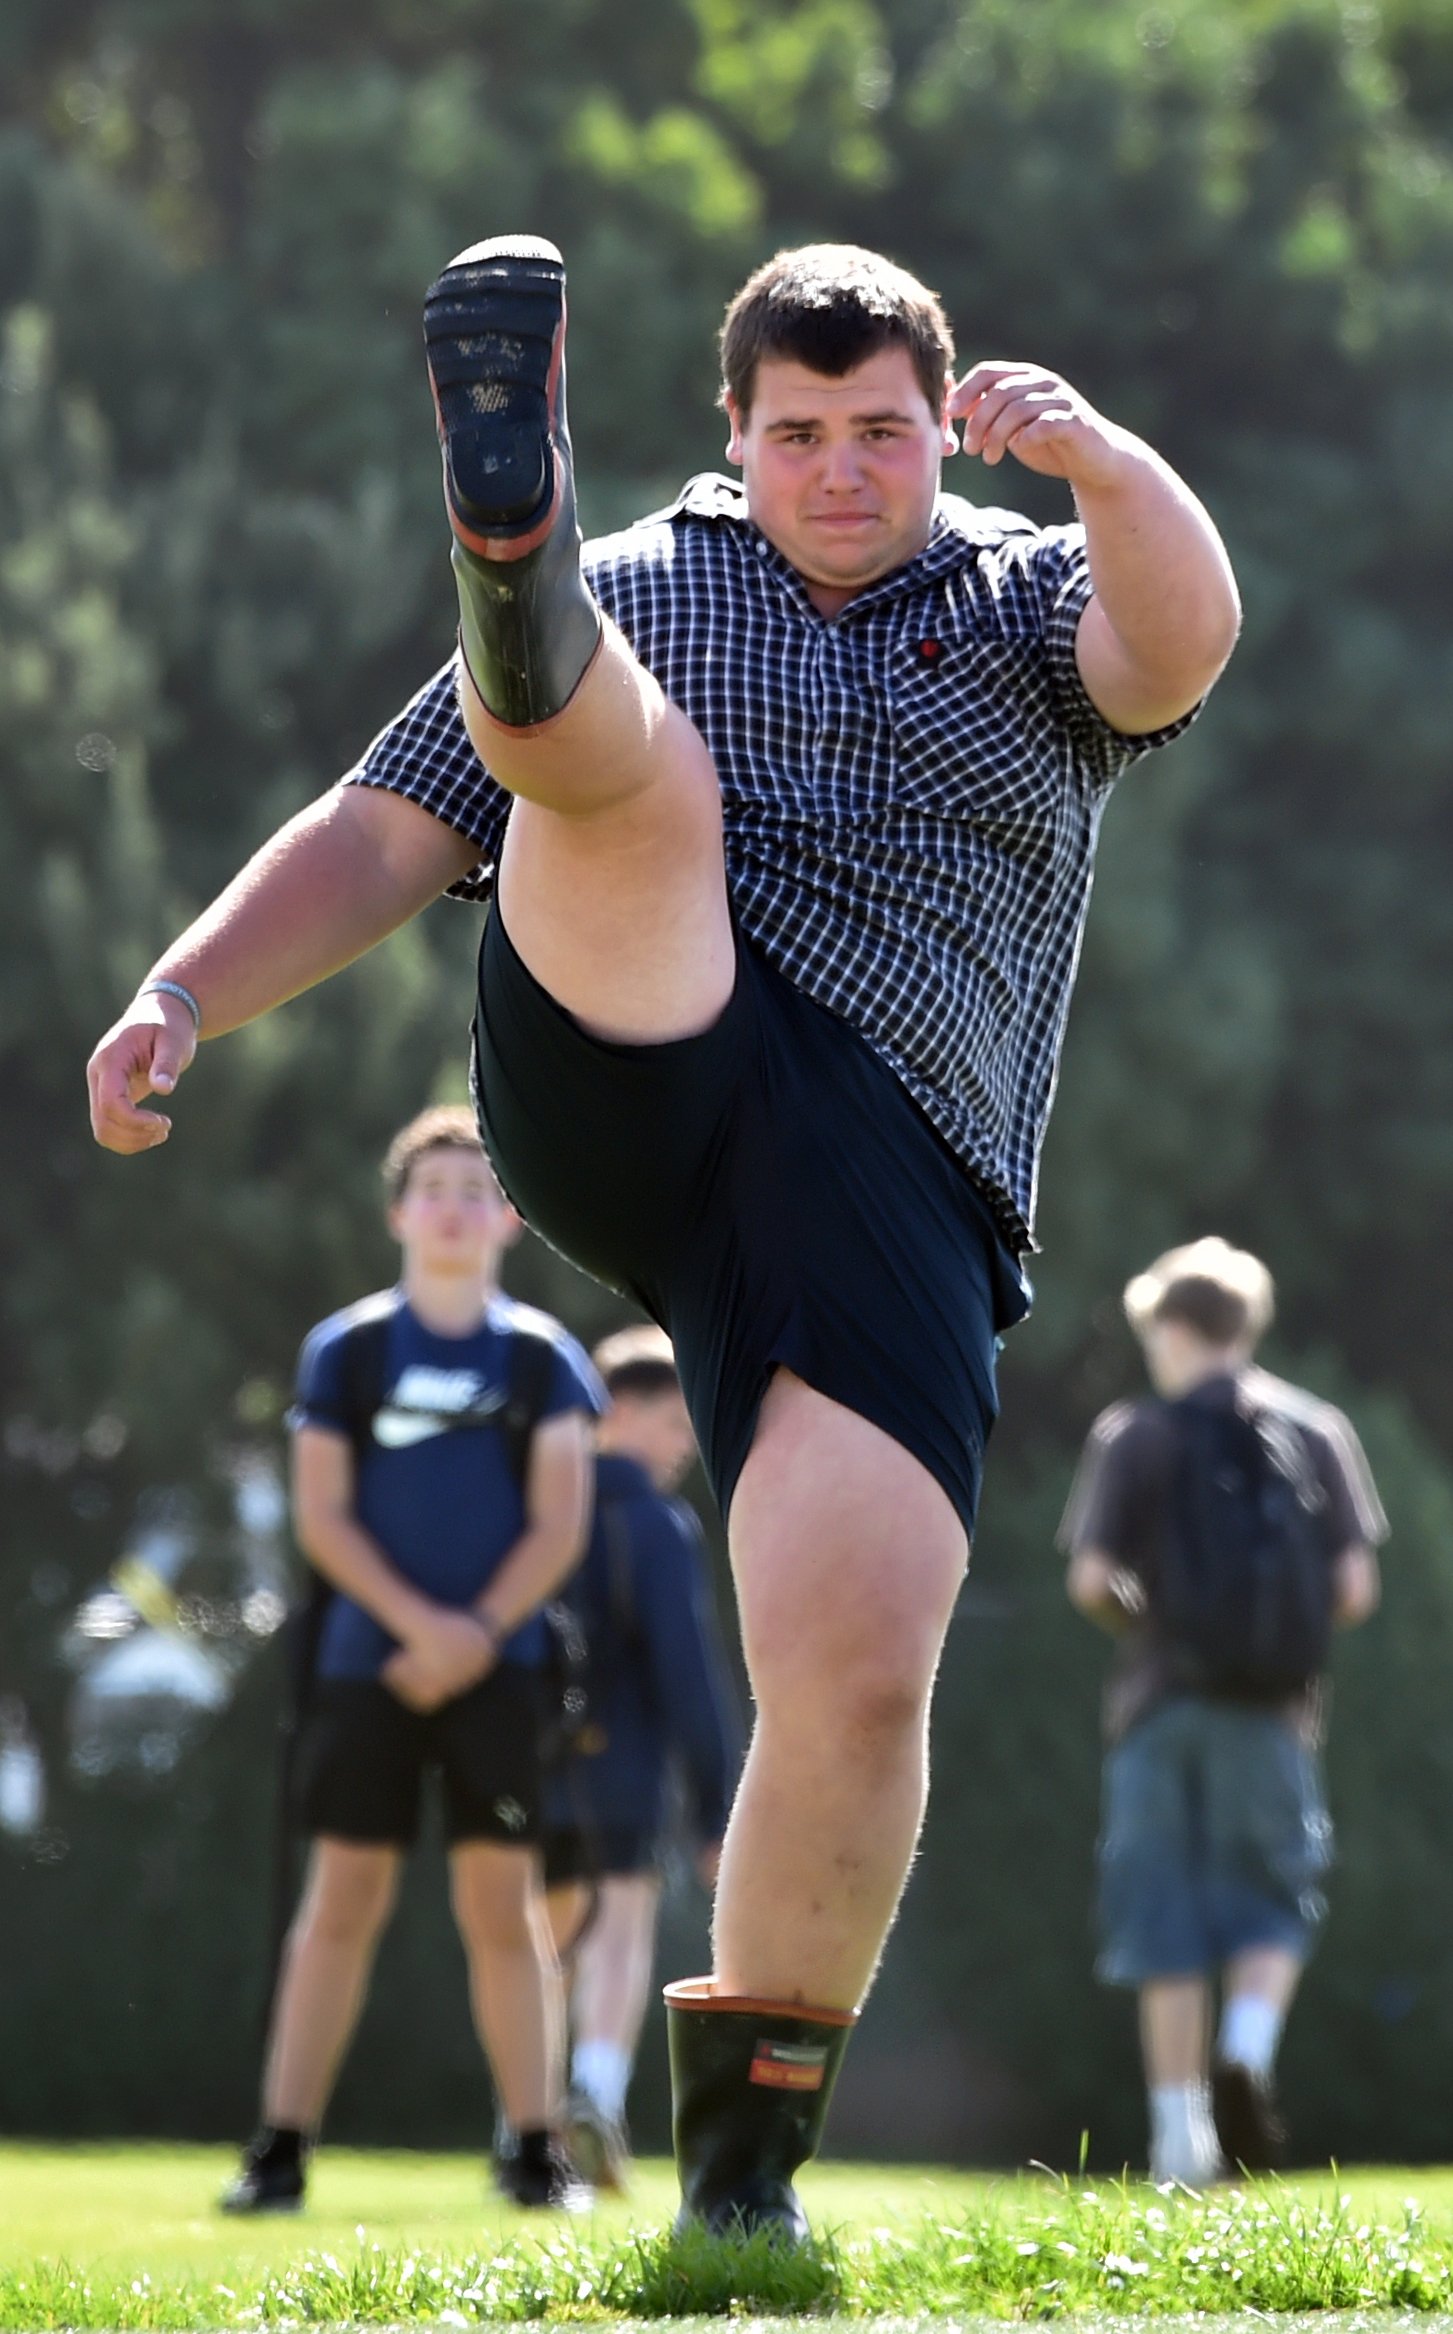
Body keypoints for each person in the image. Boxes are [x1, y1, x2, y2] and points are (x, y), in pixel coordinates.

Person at [88, 234, 1240, 2235]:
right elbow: (378, 833)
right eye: (800, 436)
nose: (846, 472)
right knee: (635, 783)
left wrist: (1107, 467)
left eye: (883, 434)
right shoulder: (654, 576)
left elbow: (1181, 647)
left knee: (862, 1663)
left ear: (934, 429)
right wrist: (183, 991)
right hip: (632, 1053)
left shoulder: (1033, 600)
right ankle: (503, 575)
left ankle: (737, 2177)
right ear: (735, 431)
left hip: (897, 1160)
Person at [221, 1106, 603, 2214]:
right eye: (435, 1187)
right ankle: (278, 2152)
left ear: (510, 1219)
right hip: (364, 1674)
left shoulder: (544, 1360)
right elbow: (324, 1516)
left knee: (504, 1907)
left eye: (479, 1189)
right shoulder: (346, 1350)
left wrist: (475, 1633)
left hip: (503, 1673)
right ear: (399, 1211)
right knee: (338, 1901)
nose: (456, 1206)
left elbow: (559, 1525)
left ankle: (537, 2156)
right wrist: (419, 1631)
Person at [1062, 1236, 1385, 2186]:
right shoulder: (1317, 1429)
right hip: (1276, 1714)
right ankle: (1245, 2050)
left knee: (1160, 1909)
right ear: (1245, 1325)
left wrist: (1153, 1623)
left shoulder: (1136, 1434)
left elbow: (1088, 1578)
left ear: (1168, 1325)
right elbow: (1355, 1589)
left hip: (1160, 1705)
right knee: (1272, 1898)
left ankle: (1179, 2141)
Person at [541, 1325, 743, 2191]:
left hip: (531, 1769)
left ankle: (527, 2121)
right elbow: (687, 1674)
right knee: (618, 1930)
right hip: (625, 1768)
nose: (683, 1452)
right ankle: (592, 2093)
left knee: (540, 1943)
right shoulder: (657, 1526)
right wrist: (715, 1805)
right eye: (673, 1426)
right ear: (617, 1411)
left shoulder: (538, 1509)